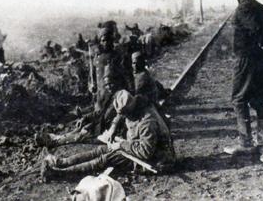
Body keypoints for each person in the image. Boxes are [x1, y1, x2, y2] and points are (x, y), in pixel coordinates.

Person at [41, 90, 175, 181]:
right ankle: (62, 162)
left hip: (157, 160)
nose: (123, 117)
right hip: (139, 149)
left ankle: (59, 174)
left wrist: (121, 144)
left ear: (131, 111)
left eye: (125, 114)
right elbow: (120, 117)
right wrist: (113, 131)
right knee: (100, 149)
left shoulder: (147, 122)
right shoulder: (136, 106)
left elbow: (145, 152)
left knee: (106, 158)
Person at [224, 0, 263, 155]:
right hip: (260, 59)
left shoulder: (244, 8)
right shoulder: (262, 8)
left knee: (239, 99)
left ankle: (246, 143)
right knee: (258, 98)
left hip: (246, 60)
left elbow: (255, 30)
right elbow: (262, 33)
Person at [35, 67, 123, 147]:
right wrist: (84, 118)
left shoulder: (122, 97)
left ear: (117, 81)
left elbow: (119, 117)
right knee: (81, 128)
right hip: (100, 125)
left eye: (111, 83)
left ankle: (54, 142)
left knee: (80, 136)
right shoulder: (109, 95)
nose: (109, 87)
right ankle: (54, 137)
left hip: (108, 131)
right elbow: (99, 112)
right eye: (107, 84)